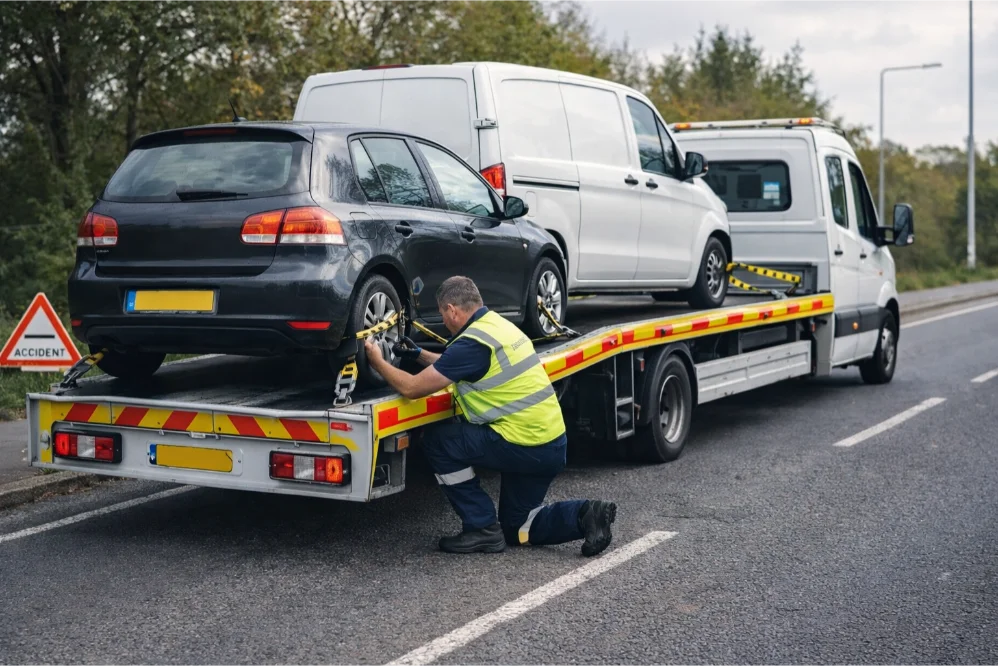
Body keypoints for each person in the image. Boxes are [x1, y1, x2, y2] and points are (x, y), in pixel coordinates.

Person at [363, 275, 617, 556]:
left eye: (443, 315)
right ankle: (587, 514)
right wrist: (419, 354)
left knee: (438, 441)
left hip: (523, 442)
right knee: (517, 527)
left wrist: (377, 360)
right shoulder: (496, 327)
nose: (444, 322)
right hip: (550, 442)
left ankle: (481, 526)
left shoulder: (472, 343)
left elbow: (411, 388)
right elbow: (458, 363)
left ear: (451, 310)